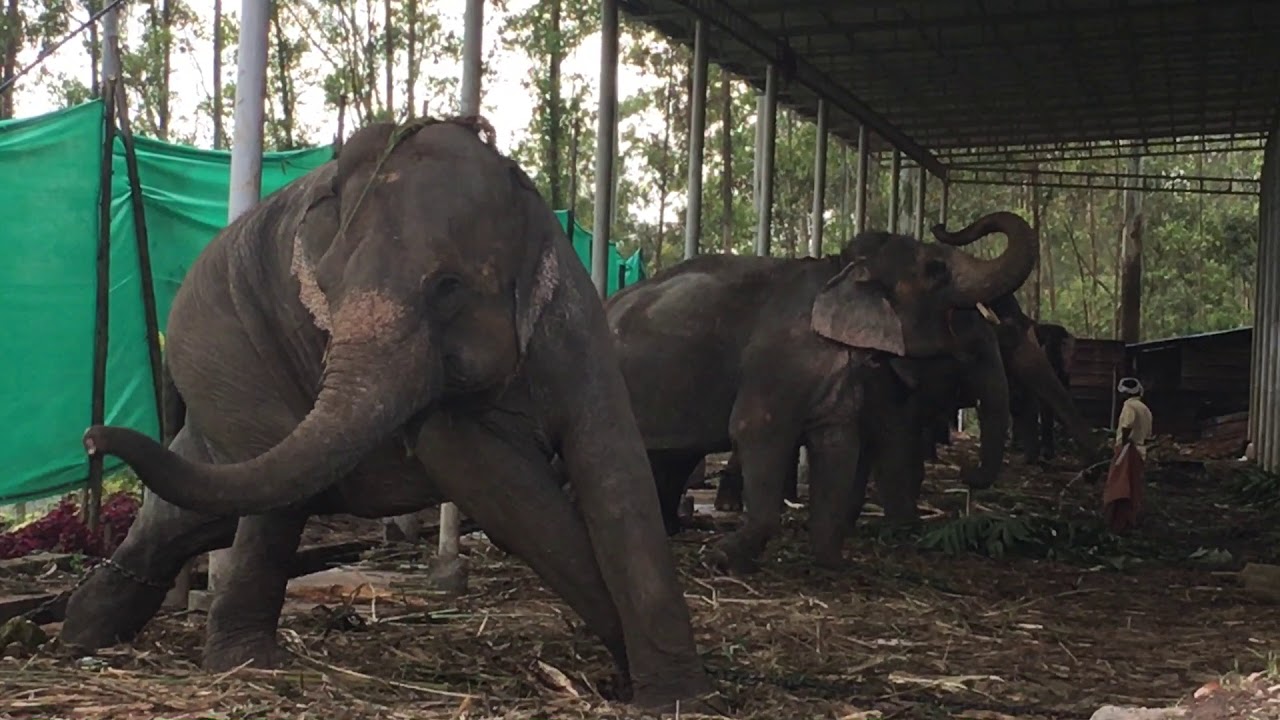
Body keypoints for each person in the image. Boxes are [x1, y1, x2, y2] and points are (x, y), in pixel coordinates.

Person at [1103, 377, 1152, 532]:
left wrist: (1123, 444)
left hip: (1128, 450)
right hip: (1140, 449)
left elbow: (1127, 426)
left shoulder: (1129, 406)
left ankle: (1117, 524)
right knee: (1133, 486)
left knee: (1119, 487)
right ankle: (1130, 521)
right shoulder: (1145, 409)